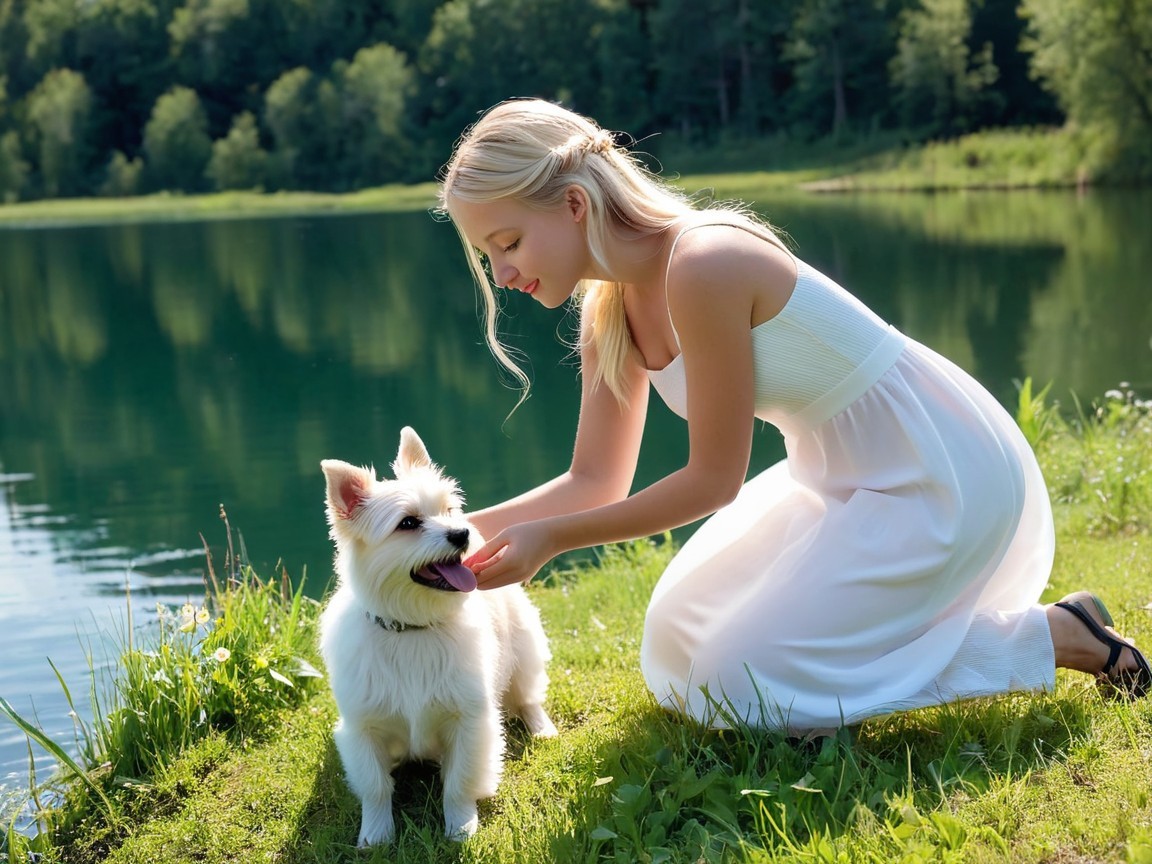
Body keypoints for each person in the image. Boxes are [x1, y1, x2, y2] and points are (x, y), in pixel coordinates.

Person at [437, 98, 1150, 732]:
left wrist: (551, 540)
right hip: (832, 479)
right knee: (677, 644)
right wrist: (432, 543)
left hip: (938, 472)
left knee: (736, 682)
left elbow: (713, 481)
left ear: (573, 204)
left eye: (508, 244)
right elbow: (594, 480)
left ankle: (1057, 635)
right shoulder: (610, 312)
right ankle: (878, 656)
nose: (502, 274)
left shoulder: (704, 262)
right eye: (488, 255)